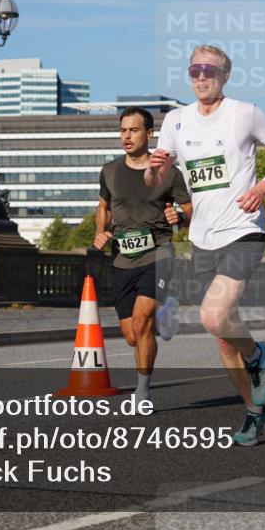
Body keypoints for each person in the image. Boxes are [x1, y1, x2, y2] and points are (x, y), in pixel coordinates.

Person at [147, 44, 265, 446]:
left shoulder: (245, 113)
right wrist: (155, 172)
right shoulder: (175, 122)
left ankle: (258, 355)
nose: (200, 76)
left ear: (225, 75)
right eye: (194, 69)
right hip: (202, 237)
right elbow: (156, 184)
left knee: (215, 317)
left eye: (209, 70)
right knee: (220, 335)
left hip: (243, 229)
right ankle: (255, 412)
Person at [94, 107, 193, 402]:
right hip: (123, 258)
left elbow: (189, 210)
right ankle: (166, 310)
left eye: (133, 130)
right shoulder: (109, 171)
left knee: (142, 320)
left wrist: (179, 216)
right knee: (132, 335)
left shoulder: (168, 172)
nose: (126, 136)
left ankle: (142, 391)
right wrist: (101, 230)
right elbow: (104, 206)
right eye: (123, 130)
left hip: (158, 254)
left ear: (149, 134)